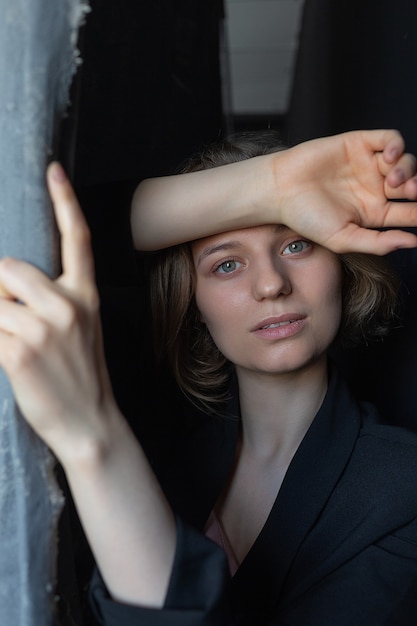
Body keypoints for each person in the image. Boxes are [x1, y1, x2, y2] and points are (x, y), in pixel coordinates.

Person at [0, 129, 416, 625]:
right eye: (227, 264)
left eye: (297, 245)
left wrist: (94, 436)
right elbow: (27, 235)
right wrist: (273, 185)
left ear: (343, 270)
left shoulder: (400, 491)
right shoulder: (166, 440)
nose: (270, 285)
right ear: (193, 304)